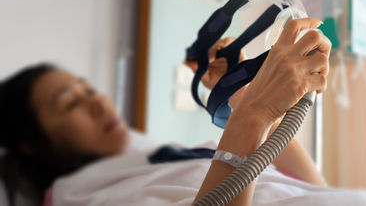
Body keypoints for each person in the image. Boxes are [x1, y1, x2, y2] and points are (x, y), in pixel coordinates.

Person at [0, 18, 330, 206]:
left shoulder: (165, 156)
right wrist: (254, 113)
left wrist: (240, 98)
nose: (98, 101)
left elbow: (316, 190)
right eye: (71, 103)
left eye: (88, 90)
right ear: (33, 142)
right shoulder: (75, 193)